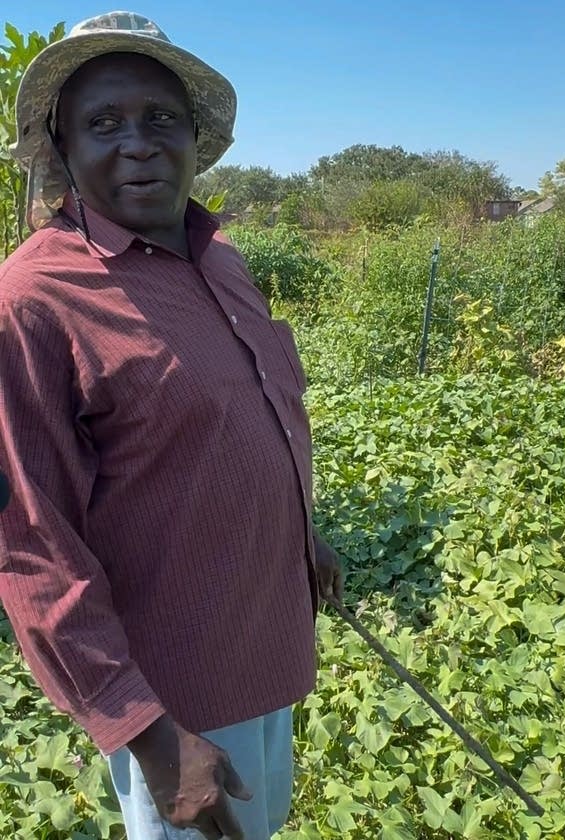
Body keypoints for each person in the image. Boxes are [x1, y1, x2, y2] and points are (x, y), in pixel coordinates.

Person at [0, 12, 342, 840]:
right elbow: (31, 543)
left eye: (160, 118)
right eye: (104, 123)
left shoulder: (219, 257)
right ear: (63, 148)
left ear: (194, 136)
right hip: (175, 691)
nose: (138, 143)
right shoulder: (34, 301)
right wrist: (147, 733)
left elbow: (249, 415)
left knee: (266, 821)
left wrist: (305, 539)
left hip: (262, 633)